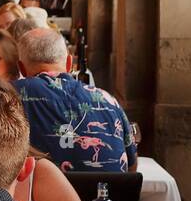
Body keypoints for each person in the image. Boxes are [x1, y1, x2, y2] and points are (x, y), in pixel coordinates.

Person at [15, 28, 137, 171]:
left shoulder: (9, 96)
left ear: (21, 69)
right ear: (69, 63)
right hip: (106, 193)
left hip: (41, 192)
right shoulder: (108, 100)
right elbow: (132, 166)